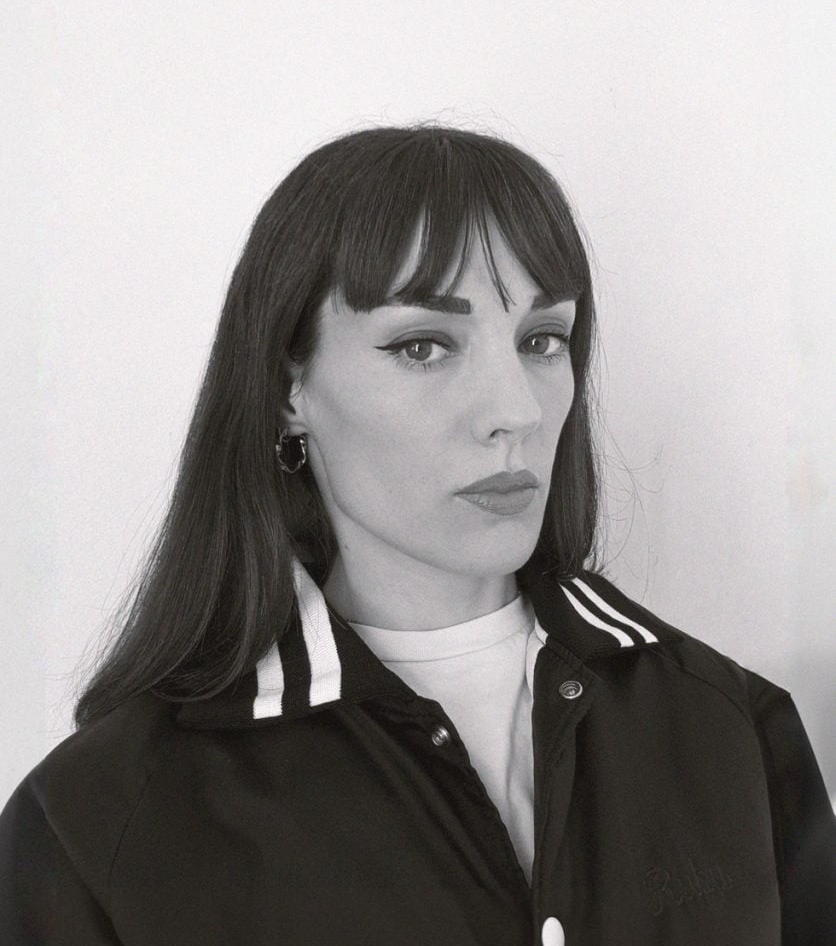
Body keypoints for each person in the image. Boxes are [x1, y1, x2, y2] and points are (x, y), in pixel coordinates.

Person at [0, 126, 833, 946]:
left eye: (543, 340)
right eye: (424, 346)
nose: (516, 410)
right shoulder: (103, 823)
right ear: (289, 389)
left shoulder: (731, 730)